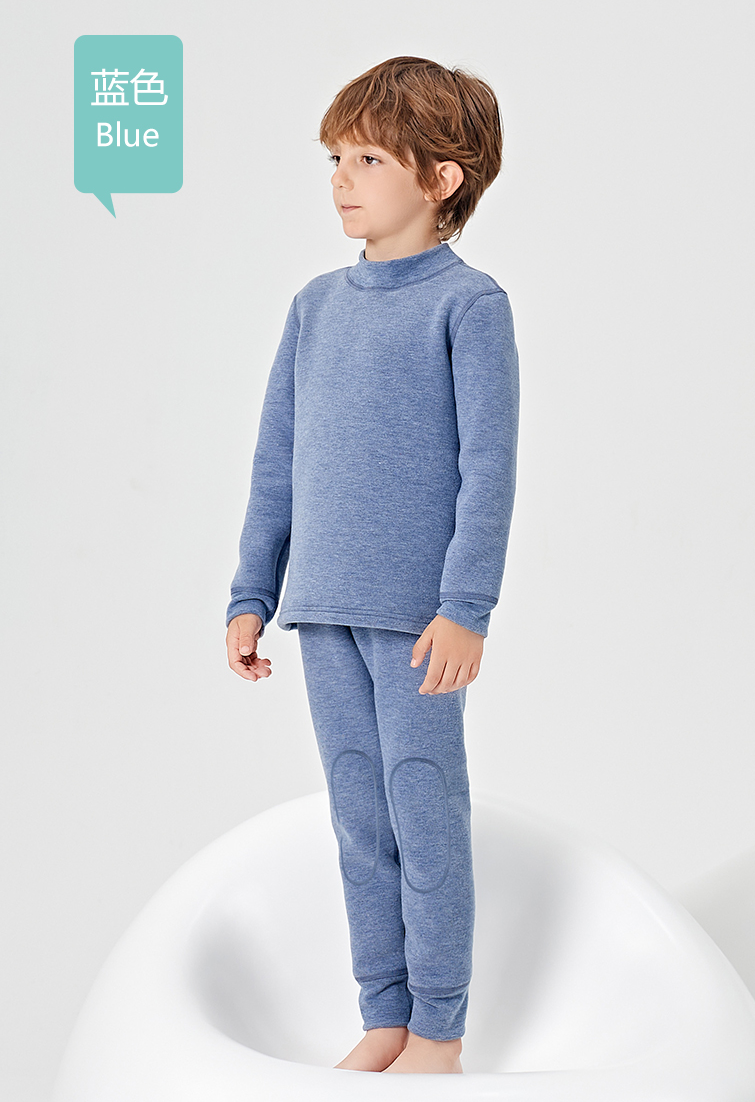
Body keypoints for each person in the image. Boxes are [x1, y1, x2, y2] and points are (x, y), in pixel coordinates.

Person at [225, 56, 520, 1075]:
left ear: (441, 178)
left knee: (422, 807)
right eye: (335, 159)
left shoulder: (469, 306)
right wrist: (252, 591)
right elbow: (277, 460)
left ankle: (438, 1030)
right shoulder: (315, 306)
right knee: (359, 815)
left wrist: (466, 605)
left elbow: (488, 469)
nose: (342, 179)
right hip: (322, 609)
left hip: (417, 619)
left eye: (368, 159)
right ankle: (385, 1015)